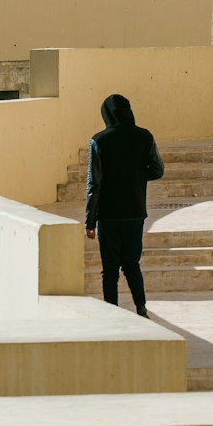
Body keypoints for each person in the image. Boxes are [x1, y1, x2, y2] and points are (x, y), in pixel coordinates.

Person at [85, 93, 164, 318]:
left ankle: (112, 312)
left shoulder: (99, 141)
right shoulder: (144, 136)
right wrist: (136, 176)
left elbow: (94, 183)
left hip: (109, 215)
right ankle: (141, 306)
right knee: (132, 263)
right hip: (135, 211)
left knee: (110, 269)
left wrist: (90, 220)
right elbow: (158, 170)